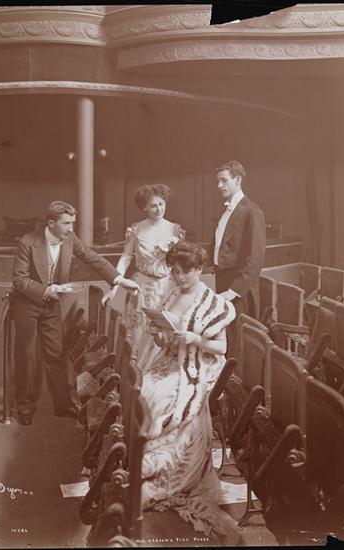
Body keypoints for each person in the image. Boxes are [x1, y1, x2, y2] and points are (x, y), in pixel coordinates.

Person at [138, 242, 240, 542]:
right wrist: (161, 336)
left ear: (199, 269)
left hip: (198, 365)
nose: (179, 277)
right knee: (144, 389)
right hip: (170, 359)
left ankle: (164, 475)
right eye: (175, 272)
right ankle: (144, 463)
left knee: (163, 399)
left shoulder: (213, 304)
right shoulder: (172, 294)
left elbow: (221, 348)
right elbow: (162, 338)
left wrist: (195, 338)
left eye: (185, 272)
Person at [12, 200, 139, 425]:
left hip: (51, 306)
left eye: (72, 223)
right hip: (28, 305)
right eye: (66, 223)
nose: (71, 228)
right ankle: (25, 406)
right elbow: (19, 280)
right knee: (27, 356)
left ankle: (63, 405)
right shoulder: (27, 242)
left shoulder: (70, 238)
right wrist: (46, 290)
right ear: (51, 223)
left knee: (56, 354)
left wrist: (119, 279)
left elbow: (91, 257)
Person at [103, 184, 185, 352]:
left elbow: (182, 262)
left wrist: (174, 250)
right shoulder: (136, 229)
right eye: (153, 205)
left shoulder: (175, 229)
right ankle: (138, 366)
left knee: (165, 331)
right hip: (141, 287)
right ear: (144, 207)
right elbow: (126, 258)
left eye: (161, 204)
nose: (158, 209)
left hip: (167, 287)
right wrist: (114, 287)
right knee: (140, 332)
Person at [209, 160, 266, 320]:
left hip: (239, 287)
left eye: (224, 180)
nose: (219, 185)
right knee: (225, 330)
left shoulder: (252, 211)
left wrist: (234, 290)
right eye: (218, 181)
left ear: (238, 180)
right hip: (223, 280)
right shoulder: (227, 210)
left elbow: (256, 258)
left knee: (240, 331)